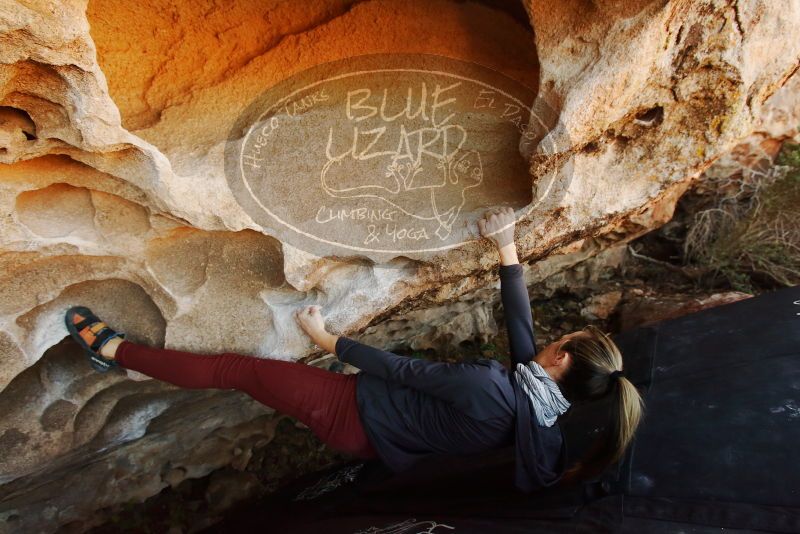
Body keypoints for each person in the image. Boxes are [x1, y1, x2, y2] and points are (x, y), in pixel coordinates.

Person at [64, 207, 644, 491]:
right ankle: (121, 355)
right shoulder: (538, 409)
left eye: (559, 342)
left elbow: (403, 368)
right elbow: (521, 328)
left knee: (234, 369)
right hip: (375, 430)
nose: (549, 340)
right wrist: (508, 247)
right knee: (242, 375)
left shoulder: (493, 391)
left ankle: (112, 352)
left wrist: (326, 340)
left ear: (561, 360)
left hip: (351, 411)